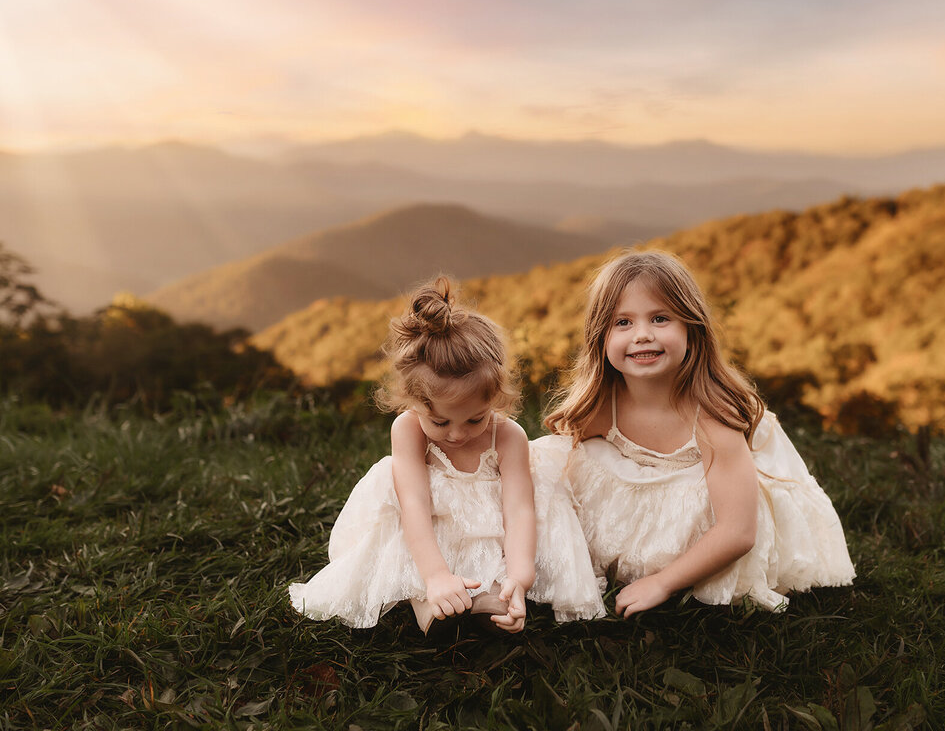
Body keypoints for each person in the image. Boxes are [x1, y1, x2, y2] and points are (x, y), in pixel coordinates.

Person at [536, 250, 854, 617]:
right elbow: (554, 461)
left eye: (660, 318)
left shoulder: (713, 416)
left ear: (692, 327)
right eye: (622, 322)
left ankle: (673, 569)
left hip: (722, 518)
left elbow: (738, 531)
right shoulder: (601, 407)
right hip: (654, 502)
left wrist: (662, 582)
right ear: (600, 337)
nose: (642, 335)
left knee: (713, 500)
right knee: (553, 459)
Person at [290, 277, 604, 635]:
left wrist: (520, 575)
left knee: (507, 574)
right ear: (413, 403)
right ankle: (428, 598)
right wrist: (436, 575)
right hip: (424, 532)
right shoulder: (408, 430)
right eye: (439, 421)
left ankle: (497, 597)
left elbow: (519, 510)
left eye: (475, 418)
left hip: (492, 528)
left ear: (495, 400)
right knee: (399, 531)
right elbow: (414, 507)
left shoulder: (509, 436)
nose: (457, 433)